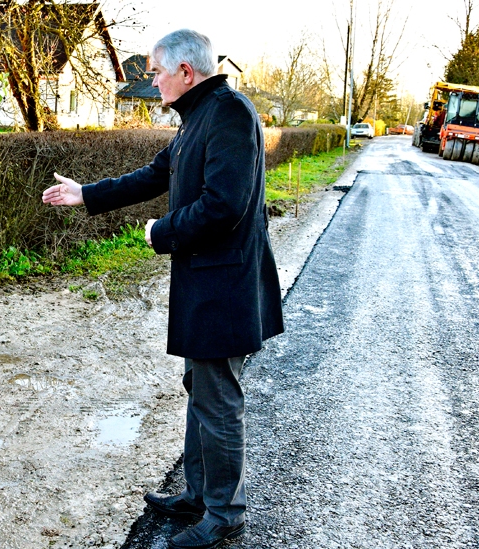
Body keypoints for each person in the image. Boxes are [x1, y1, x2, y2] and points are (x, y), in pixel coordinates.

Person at [42, 29, 283, 549]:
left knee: (218, 400)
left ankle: (224, 512)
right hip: (207, 285)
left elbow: (224, 206)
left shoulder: (230, 115)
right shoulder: (199, 117)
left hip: (225, 287)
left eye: (156, 70)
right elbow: (155, 174)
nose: (151, 79)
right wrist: (87, 193)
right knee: (201, 391)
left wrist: (161, 232)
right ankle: (199, 495)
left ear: (186, 73)